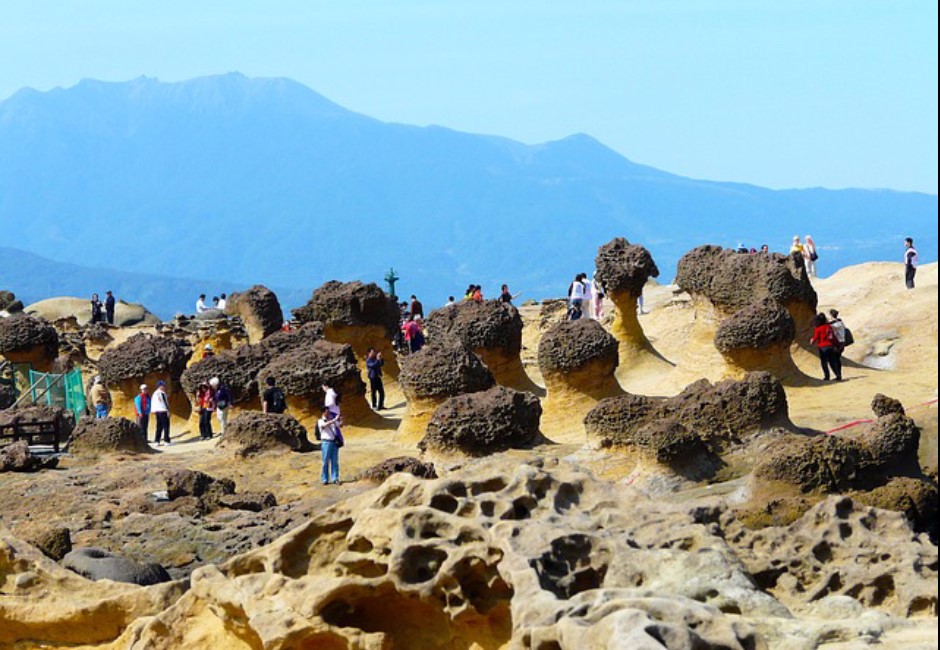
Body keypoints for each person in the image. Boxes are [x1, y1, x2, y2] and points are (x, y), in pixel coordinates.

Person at [810, 313, 842, 381]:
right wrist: (837, 344)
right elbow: (832, 337)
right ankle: (838, 375)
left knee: (824, 362)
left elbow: (815, 337)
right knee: (832, 361)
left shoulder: (818, 328)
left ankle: (827, 377)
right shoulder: (829, 327)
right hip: (830, 346)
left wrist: (812, 341)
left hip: (822, 347)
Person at [317, 406, 342, 485]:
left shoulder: (331, 420)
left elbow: (339, 425)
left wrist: (340, 420)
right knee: (325, 461)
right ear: (323, 412)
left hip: (334, 442)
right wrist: (334, 420)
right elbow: (323, 426)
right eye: (327, 412)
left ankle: (335, 478)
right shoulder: (320, 421)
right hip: (326, 442)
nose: (328, 414)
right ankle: (325, 479)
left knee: (335, 461)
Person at [152, 380, 171, 446]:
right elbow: (165, 402)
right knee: (166, 426)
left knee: (159, 426)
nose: (164, 387)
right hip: (163, 411)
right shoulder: (162, 393)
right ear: (159, 386)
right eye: (163, 385)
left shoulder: (154, 393)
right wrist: (168, 410)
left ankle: (157, 441)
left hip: (157, 411)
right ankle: (166, 441)